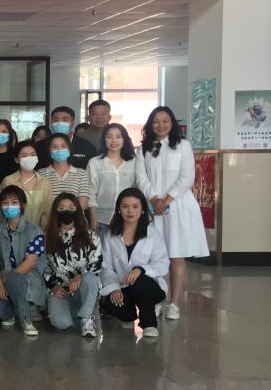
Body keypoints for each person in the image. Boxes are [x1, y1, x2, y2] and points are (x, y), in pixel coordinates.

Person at [135, 105, 208, 319]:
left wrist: (166, 200)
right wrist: (154, 199)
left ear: (172, 123)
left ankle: (174, 303)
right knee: (155, 256)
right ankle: (157, 299)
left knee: (176, 255)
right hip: (153, 207)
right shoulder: (144, 148)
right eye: (156, 121)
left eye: (165, 121)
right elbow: (141, 177)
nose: (161, 125)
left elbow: (187, 177)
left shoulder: (183, 145)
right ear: (150, 125)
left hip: (178, 205)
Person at [100, 188, 170, 338]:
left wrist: (141, 270)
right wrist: (113, 288)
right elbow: (106, 268)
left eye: (135, 206)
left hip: (150, 288)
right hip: (123, 287)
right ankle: (129, 315)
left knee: (140, 281)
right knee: (109, 303)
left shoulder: (152, 234)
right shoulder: (110, 235)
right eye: (125, 207)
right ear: (119, 210)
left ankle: (149, 323)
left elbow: (162, 264)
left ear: (142, 209)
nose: (130, 211)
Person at [0, 186, 47, 336]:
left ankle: (26, 319)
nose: (9, 206)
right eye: (5, 203)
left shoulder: (34, 231)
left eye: (14, 202)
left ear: (23, 205)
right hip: (3, 279)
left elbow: (30, 262)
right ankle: (13, 310)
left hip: (26, 279)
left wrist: (4, 280)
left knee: (15, 279)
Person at [44, 193, 103, 338]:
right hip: (60, 291)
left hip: (81, 288)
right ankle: (80, 312)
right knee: (61, 323)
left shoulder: (91, 236)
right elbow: (43, 266)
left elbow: (96, 265)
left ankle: (86, 318)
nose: (66, 211)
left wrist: (80, 275)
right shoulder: (46, 237)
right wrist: (54, 287)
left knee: (91, 279)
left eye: (71, 208)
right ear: (55, 211)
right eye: (61, 208)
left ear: (77, 211)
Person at [87, 123, 136, 235]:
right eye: (109, 137)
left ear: (124, 139)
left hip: (128, 218)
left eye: (118, 136)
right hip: (101, 220)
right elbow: (90, 192)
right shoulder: (95, 163)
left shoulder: (133, 162)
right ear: (104, 139)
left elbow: (137, 190)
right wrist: (93, 220)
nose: (114, 141)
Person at [0, 141, 53, 229]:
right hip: (11, 232)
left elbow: (48, 213)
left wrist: (41, 233)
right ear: (16, 159)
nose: (29, 158)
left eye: (33, 155)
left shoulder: (45, 183)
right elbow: (2, 210)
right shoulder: (9, 181)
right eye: (24, 155)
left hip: (39, 233)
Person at [40, 134, 91, 213]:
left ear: (69, 150)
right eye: (55, 147)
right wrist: (56, 217)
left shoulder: (82, 174)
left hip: (75, 219)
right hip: (50, 220)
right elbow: (41, 202)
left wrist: (66, 216)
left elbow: (83, 203)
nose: (59, 150)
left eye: (63, 146)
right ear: (49, 151)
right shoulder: (41, 174)